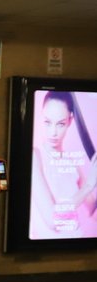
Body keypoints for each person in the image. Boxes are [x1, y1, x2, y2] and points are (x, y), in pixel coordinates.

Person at [31, 90, 97, 238]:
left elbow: (93, 209)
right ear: (41, 117)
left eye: (60, 124)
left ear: (70, 121)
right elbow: (53, 220)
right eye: (47, 122)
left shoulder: (72, 162)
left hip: (78, 246)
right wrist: (88, 186)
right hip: (44, 251)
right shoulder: (35, 156)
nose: (53, 132)